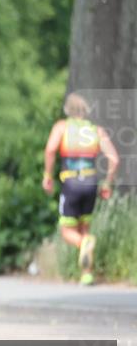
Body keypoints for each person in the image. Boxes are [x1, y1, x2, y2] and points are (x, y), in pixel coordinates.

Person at [42, 92, 119, 285]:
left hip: (71, 182)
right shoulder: (96, 130)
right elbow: (114, 159)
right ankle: (86, 274)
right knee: (85, 228)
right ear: (85, 110)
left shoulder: (62, 127)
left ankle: (83, 244)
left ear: (67, 110)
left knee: (67, 231)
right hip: (91, 182)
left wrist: (47, 176)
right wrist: (107, 183)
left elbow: (50, 150)